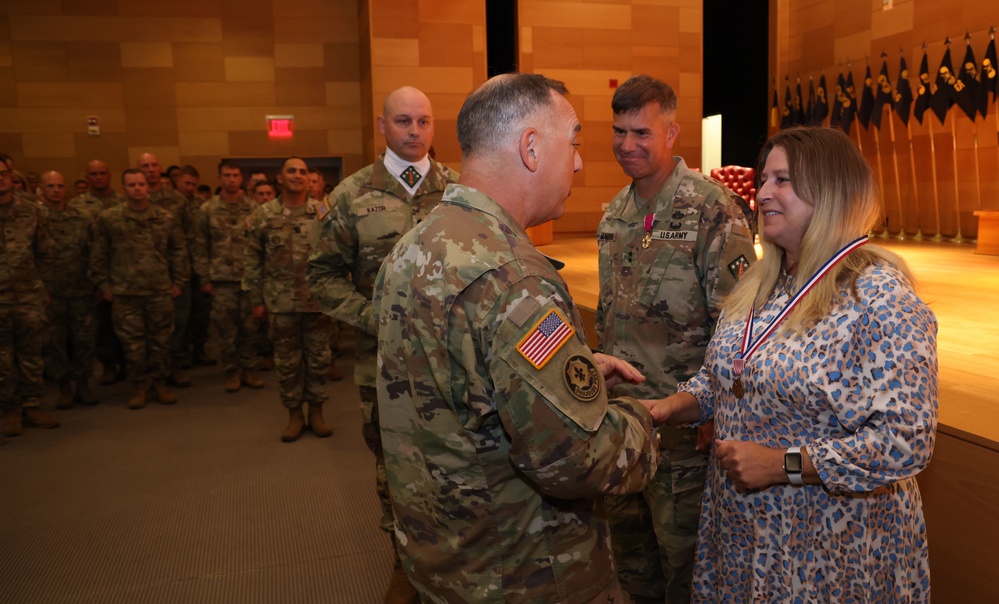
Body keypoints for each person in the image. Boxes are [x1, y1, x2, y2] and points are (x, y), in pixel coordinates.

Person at [373, 73, 660, 602]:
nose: (577, 162)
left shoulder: (415, 246)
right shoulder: (514, 278)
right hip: (526, 573)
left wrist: (568, 375)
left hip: (444, 562)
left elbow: (453, 387)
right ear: (531, 148)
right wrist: (643, 417)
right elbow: (577, 458)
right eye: (572, 142)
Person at [641, 126, 938, 602]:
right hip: (745, 533)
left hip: (829, 551)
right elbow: (732, 374)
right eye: (763, 180)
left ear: (832, 191)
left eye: (783, 180)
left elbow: (906, 441)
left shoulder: (878, 298)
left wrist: (784, 466)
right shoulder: (763, 283)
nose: (762, 193)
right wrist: (670, 406)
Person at [597, 75, 757, 604]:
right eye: (619, 131)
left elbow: (738, 329)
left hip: (686, 434)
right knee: (632, 562)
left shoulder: (713, 211)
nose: (626, 145)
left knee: (687, 569)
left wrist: (716, 414)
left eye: (641, 132)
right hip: (622, 423)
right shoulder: (615, 214)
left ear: (672, 132)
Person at [306, 84, 458, 602]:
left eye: (423, 122)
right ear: (382, 125)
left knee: (459, 455)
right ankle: (405, 567)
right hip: (385, 364)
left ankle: (456, 559)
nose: (414, 132)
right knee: (393, 464)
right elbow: (322, 276)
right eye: (403, 122)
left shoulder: (459, 191)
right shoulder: (350, 197)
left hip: (452, 362)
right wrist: (374, 316)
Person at [243, 157, 331, 442]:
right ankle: (294, 413)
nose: (297, 175)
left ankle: (316, 411)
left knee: (319, 359)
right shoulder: (263, 215)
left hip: (316, 301)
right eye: (291, 170)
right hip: (280, 304)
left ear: (309, 179)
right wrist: (256, 298)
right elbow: (253, 259)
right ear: (279, 178)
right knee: (287, 362)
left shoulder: (322, 212)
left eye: (303, 171)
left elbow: (334, 256)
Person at [90, 169, 189, 409]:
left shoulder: (164, 217)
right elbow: (99, 253)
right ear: (123, 188)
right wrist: (103, 284)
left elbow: (178, 250)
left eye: (141, 184)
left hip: (159, 289)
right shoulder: (109, 218)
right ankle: (139, 385)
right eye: (131, 185)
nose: (137, 188)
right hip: (125, 292)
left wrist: (179, 282)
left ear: (148, 187)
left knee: (161, 339)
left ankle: (159, 382)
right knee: (132, 343)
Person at [0, 161, 60, 437]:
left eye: (3, 174)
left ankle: (32, 405)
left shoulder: (31, 211)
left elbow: (46, 252)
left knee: (31, 354)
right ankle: (9, 409)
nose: (0, 180)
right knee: (3, 358)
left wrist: (42, 287)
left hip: (28, 296)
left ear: (11, 177)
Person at [193, 161, 263, 393]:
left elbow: (261, 246)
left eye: (235, 175)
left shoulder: (254, 208)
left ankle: (249, 369)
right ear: (219, 177)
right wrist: (204, 278)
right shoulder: (208, 209)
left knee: (250, 327)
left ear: (241, 178)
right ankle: (232, 371)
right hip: (221, 280)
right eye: (227, 175)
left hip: (249, 278)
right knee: (225, 329)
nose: (231, 179)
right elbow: (200, 246)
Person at [38, 171, 100, 408]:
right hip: (50, 293)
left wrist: (96, 283)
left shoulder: (82, 218)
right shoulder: (35, 217)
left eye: (60, 185)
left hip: (81, 291)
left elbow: (94, 253)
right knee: (55, 343)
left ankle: (83, 384)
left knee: (84, 340)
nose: (56, 190)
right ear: (42, 189)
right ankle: (64, 387)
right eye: (51, 186)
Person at [138, 152, 195, 386]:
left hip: (173, 273)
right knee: (144, 328)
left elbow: (189, 237)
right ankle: (147, 374)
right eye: (145, 166)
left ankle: (175, 365)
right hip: (140, 275)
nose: (150, 170)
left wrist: (182, 276)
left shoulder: (177, 200)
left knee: (178, 322)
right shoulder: (127, 202)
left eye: (154, 165)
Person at [176, 165, 216, 368]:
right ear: (178, 181)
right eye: (186, 183)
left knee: (201, 314)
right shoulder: (170, 205)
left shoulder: (202, 205)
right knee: (181, 317)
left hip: (200, 268)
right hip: (179, 271)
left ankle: (199, 350)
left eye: (193, 184)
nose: (190, 188)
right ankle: (181, 356)